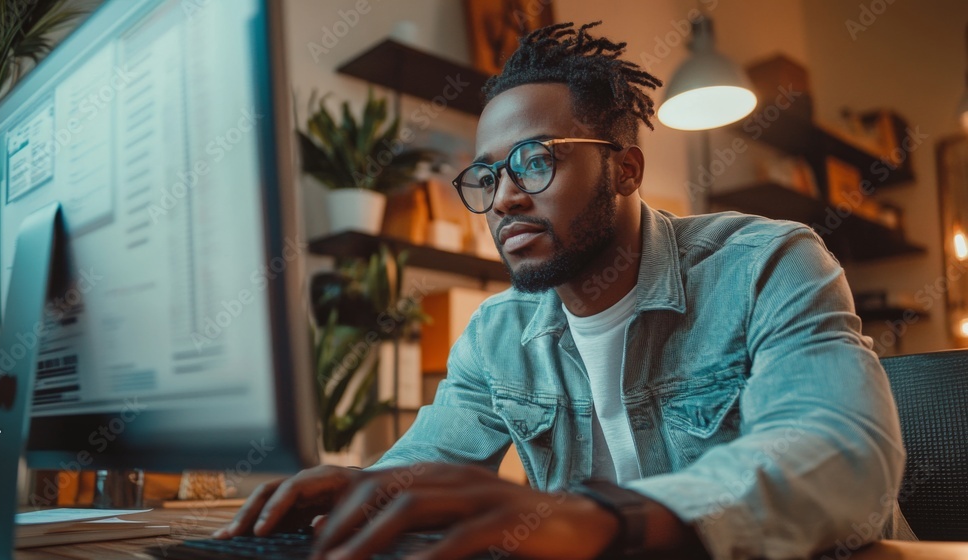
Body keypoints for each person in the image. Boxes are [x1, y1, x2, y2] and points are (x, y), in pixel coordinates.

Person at [217, 21, 913, 560]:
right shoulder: (498, 336)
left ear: (627, 170)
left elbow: (844, 453)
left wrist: (616, 517)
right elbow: (421, 470)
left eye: (537, 162)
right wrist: (356, 488)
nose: (504, 200)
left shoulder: (766, 263)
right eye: (486, 177)